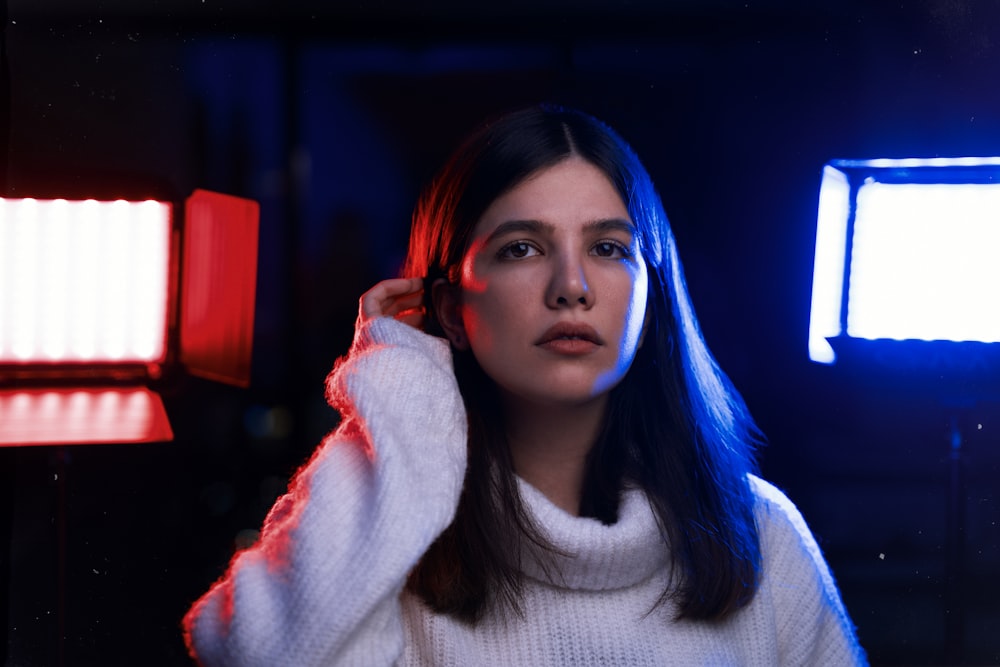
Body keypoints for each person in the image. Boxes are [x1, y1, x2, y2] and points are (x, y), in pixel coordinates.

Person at [183, 105, 867, 665]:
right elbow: (253, 652)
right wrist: (395, 381)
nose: (571, 287)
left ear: (652, 294)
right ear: (450, 308)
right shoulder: (392, 543)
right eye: (522, 248)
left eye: (608, 248)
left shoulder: (759, 530)